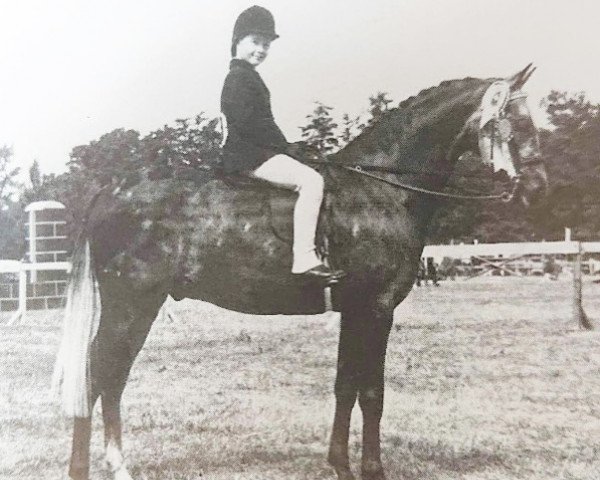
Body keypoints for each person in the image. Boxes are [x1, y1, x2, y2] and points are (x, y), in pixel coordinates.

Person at [221, 5, 345, 282]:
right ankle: (304, 257)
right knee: (311, 182)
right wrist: (287, 148)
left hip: (255, 152)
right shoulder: (239, 78)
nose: (261, 50)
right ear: (237, 41)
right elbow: (250, 124)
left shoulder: (247, 76)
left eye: (266, 45)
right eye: (255, 42)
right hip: (248, 156)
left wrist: (290, 148)